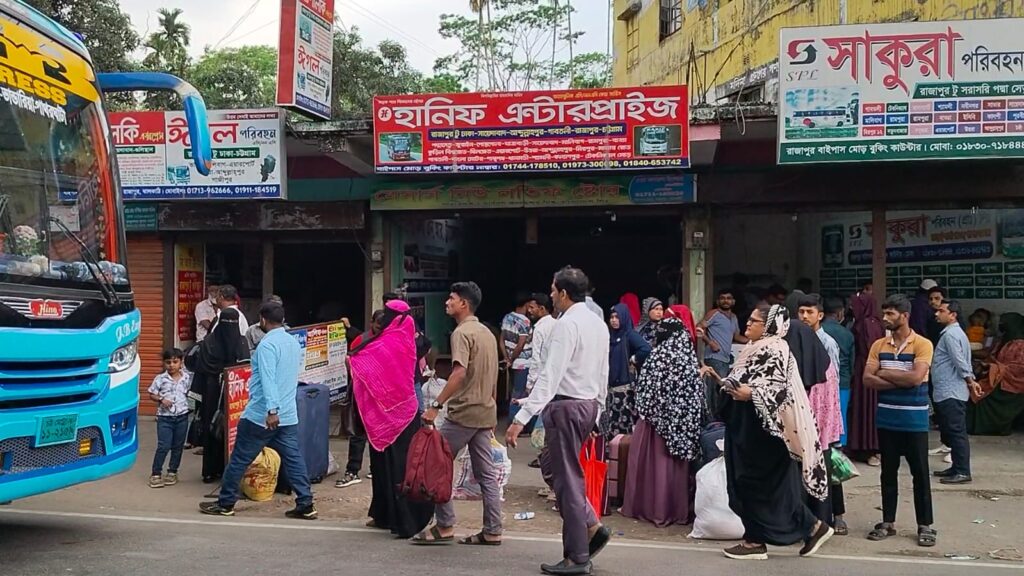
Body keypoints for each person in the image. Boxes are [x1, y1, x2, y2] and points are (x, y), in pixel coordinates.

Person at [700, 304, 833, 560]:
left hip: (763, 434)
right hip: (746, 429)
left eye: (754, 321)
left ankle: (804, 528)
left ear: (769, 326)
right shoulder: (754, 347)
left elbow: (779, 390)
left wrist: (750, 393)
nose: (748, 324)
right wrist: (723, 382)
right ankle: (759, 539)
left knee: (760, 487)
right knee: (749, 486)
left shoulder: (775, 349)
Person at [506, 267, 612, 576]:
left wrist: (521, 419)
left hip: (567, 406)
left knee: (567, 481)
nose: (551, 296)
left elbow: (550, 375)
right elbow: (603, 372)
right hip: (586, 404)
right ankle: (591, 526)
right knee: (553, 467)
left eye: (553, 291)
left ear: (563, 293)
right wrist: (598, 409)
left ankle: (577, 555)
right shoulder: (597, 323)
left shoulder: (566, 325)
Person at [200, 302, 317, 520]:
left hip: (262, 415)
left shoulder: (266, 345)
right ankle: (306, 503)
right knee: (293, 459)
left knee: (239, 459)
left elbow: (268, 379)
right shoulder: (292, 343)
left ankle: (225, 503)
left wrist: (272, 410)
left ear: (263, 319)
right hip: (288, 415)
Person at [414, 282, 502, 546]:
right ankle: (493, 530)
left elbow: (459, 373)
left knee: (436, 463)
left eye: (451, 298)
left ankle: (445, 525)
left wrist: (436, 405)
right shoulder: (487, 333)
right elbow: (494, 376)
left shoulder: (462, 333)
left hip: (463, 412)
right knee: (487, 475)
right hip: (485, 411)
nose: (447, 302)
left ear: (463, 303)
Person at [348, 300, 434, 537]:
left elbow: (363, 362)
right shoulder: (411, 338)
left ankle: (401, 520)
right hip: (406, 412)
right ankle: (386, 515)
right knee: (394, 465)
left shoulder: (389, 341)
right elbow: (425, 345)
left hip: (389, 413)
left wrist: (353, 360)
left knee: (391, 467)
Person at [864, 295, 936, 548]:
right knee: (888, 473)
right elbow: (867, 379)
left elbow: (916, 378)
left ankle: (925, 525)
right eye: (884, 313)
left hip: (915, 421)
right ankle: (888, 522)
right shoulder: (878, 345)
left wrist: (884, 372)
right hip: (887, 420)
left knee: (920, 474)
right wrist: (900, 379)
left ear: (904, 316)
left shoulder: (923, 344)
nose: (885, 318)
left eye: (891, 314)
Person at [622, 315, 706, 527]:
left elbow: (645, 392)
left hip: (654, 427)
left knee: (654, 468)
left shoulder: (657, 357)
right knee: (674, 471)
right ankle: (676, 511)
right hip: (682, 428)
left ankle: (652, 509)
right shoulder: (689, 359)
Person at [797, 294, 847, 534]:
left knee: (827, 465)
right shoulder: (797, 339)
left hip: (823, 411)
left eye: (810, 312)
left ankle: (837, 516)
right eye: (801, 312)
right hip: (805, 411)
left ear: (820, 315)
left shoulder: (827, 342)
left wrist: (829, 418)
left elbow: (830, 383)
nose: (805, 316)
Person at [187, 307, 250, 483]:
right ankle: (218, 471)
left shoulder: (209, 342)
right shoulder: (240, 342)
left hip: (218, 394)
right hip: (225, 395)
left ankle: (213, 471)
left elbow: (200, 371)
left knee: (222, 431)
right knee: (217, 430)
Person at [336, 309, 386, 489]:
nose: (380, 330)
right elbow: (349, 361)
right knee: (358, 433)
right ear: (372, 323)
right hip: (362, 392)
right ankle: (352, 470)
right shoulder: (361, 340)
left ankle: (377, 469)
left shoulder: (389, 340)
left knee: (379, 434)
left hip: (383, 394)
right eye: (378, 326)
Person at [931, 299, 979, 485]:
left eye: (941, 311)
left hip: (951, 391)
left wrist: (970, 380)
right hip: (948, 390)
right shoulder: (955, 333)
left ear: (953, 315)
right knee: (951, 431)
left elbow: (959, 361)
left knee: (956, 432)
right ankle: (956, 467)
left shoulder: (951, 335)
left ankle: (962, 471)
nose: (937, 313)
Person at [969, 312, 1024, 435]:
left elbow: (1019, 368)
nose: (1000, 328)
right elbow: (991, 356)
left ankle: (993, 427)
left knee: (985, 394)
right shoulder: (1002, 341)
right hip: (996, 378)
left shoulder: (1021, 345)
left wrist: (995, 368)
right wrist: (986, 365)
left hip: (1013, 384)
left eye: (1004, 325)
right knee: (975, 387)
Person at [603, 303, 652, 440]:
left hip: (625, 389)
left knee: (625, 426)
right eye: (612, 317)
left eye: (617, 317)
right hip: (610, 389)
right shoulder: (610, 336)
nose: (614, 320)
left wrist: (634, 358)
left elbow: (646, 349)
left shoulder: (629, 335)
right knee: (611, 427)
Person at [148, 348, 192, 489]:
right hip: (165, 418)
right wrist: (161, 399)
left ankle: (172, 472)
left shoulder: (187, 378)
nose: (171, 365)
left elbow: (191, 394)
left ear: (181, 362)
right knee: (163, 446)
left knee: (178, 447)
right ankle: (156, 474)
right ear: (164, 363)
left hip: (182, 417)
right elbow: (152, 394)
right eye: (168, 362)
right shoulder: (160, 379)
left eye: (175, 362)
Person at [849, 290, 884, 466]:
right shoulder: (873, 322)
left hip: (865, 368)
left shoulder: (866, 324)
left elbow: (870, 347)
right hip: (870, 367)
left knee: (866, 407)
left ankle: (868, 448)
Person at [822, 296, 855, 447]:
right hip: (842, 382)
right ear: (840, 313)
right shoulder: (847, 334)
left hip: (819, 383)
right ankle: (839, 448)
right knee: (840, 417)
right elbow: (852, 363)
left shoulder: (816, 331)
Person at [700, 289, 748, 379]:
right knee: (716, 386)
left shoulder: (734, 317)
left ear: (733, 301)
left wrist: (754, 340)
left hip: (726, 360)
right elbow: (698, 329)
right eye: (722, 298)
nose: (725, 301)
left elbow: (737, 336)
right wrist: (710, 343)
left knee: (722, 385)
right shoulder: (714, 313)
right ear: (718, 301)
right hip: (713, 358)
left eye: (728, 298)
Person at [502, 294, 533, 426]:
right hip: (523, 363)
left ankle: (513, 421)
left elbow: (501, 339)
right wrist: (512, 358)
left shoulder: (507, 318)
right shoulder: (524, 321)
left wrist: (507, 358)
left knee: (515, 391)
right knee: (521, 394)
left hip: (513, 363)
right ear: (526, 305)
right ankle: (516, 422)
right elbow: (521, 344)